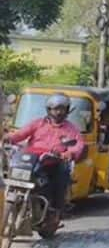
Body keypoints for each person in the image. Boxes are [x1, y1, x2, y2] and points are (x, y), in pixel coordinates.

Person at [3, 94, 85, 223]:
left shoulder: (70, 129)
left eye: (62, 109)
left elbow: (78, 144)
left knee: (61, 178)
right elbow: (20, 134)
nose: (58, 112)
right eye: (55, 109)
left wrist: (69, 153)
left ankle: (55, 210)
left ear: (67, 110)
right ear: (49, 110)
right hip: (32, 160)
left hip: (53, 163)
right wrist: (8, 138)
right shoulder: (38, 123)